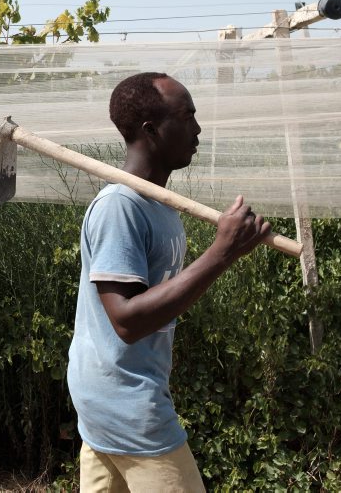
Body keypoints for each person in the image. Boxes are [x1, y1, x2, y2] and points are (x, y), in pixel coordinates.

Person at [67, 72, 272, 492]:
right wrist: (221, 253)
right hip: (126, 401)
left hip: (109, 395)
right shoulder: (120, 207)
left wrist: (226, 252)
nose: (198, 129)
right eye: (186, 116)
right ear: (152, 130)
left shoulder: (159, 206)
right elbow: (126, 320)